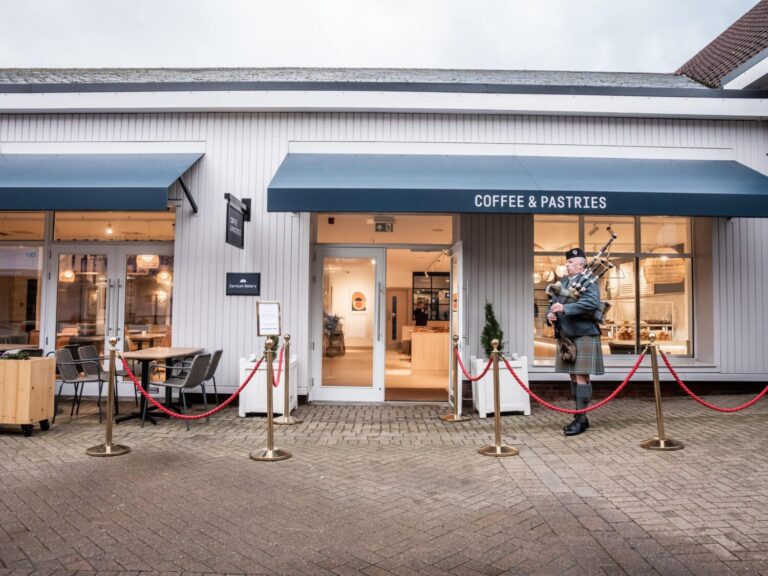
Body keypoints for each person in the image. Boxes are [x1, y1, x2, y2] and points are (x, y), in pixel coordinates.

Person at [547, 247, 604, 436]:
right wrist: (550, 315)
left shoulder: (589, 281)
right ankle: (581, 416)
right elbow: (552, 303)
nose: (567, 265)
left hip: (584, 334)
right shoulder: (563, 282)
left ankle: (580, 419)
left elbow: (592, 303)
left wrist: (566, 308)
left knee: (581, 377)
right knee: (573, 376)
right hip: (566, 335)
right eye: (567, 262)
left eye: (571, 262)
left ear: (581, 265)